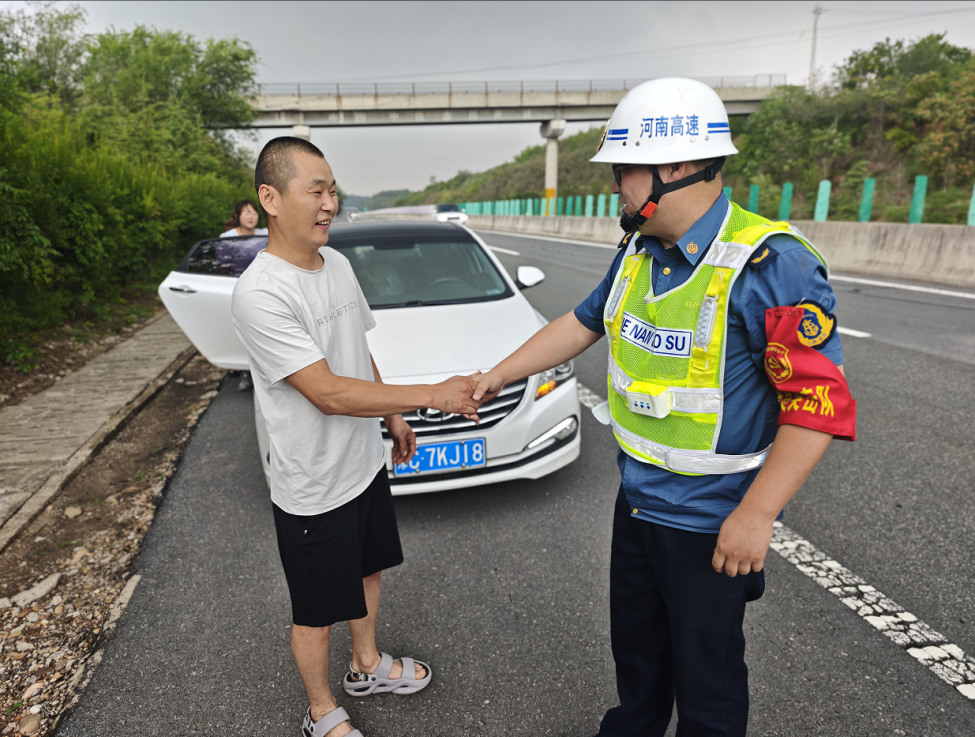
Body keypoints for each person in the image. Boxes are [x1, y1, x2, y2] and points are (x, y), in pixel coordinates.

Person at [469, 78, 857, 736]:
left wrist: (756, 514)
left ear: (675, 167)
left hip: (710, 521)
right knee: (639, 663)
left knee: (708, 689)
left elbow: (816, 403)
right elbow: (583, 322)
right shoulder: (638, 250)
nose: (616, 187)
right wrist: (496, 375)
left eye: (623, 170)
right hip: (638, 501)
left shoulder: (770, 265)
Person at [231, 137, 482, 737]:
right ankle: (321, 712)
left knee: (369, 570)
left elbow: (356, 351)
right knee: (316, 610)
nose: (329, 203)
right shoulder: (261, 294)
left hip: (363, 463)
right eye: (315, 191)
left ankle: (366, 665)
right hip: (313, 484)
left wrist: (392, 416)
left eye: (333, 190)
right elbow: (326, 392)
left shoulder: (337, 264)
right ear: (270, 198)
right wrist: (433, 394)